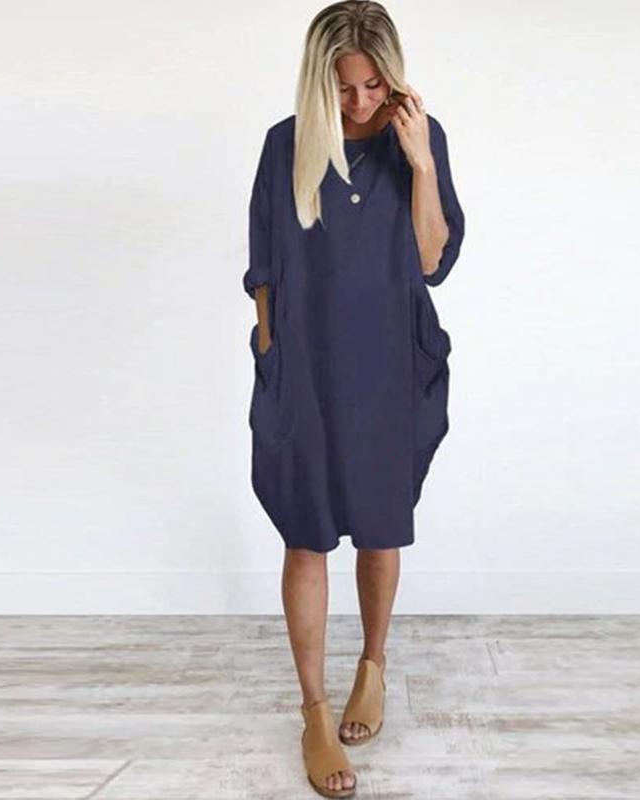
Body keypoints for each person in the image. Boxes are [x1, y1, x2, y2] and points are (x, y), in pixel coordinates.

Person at [242, 1, 465, 796]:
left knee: (379, 527)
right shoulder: (286, 144)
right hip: (305, 365)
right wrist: (271, 353)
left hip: (389, 361)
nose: (361, 101)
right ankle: (313, 710)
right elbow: (263, 265)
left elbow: (433, 261)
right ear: (318, 80)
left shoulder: (418, 140)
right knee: (305, 534)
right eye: (344, 87)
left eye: (374, 85)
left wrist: (423, 163)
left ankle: (373, 667)